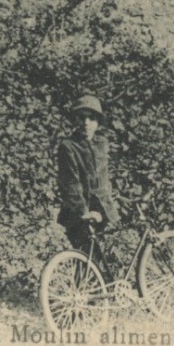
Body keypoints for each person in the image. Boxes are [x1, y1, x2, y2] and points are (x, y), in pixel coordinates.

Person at [56, 95, 120, 268]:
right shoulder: (68, 146)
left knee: (99, 260)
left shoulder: (102, 143)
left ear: (98, 122)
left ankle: (97, 291)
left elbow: (105, 178)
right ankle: (81, 293)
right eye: (81, 117)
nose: (86, 122)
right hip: (79, 212)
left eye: (91, 118)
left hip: (102, 210)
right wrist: (83, 212)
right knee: (86, 258)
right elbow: (70, 183)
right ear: (75, 120)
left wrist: (111, 205)